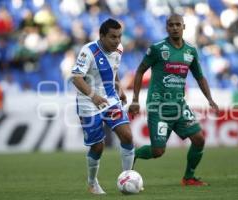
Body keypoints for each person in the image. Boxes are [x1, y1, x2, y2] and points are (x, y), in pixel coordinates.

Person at [129, 14, 219, 186]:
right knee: (158, 151)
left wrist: (210, 99)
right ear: (166, 28)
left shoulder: (190, 51)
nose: (175, 28)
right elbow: (140, 71)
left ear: (184, 27)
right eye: (171, 25)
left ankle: (188, 177)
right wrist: (135, 99)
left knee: (199, 139)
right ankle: (133, 154)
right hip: (158, 107)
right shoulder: (157, 49)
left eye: (178, 24)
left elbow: (200, 77)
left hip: (179, 105)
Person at [71, 18, 135, 195]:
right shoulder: (88, 51)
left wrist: (119, 88)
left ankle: (127, 178)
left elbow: (113, 71)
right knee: (98, 146)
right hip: (88, 101)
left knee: (127, 136)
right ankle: (92, 183)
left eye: (119, 36)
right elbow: (76, 78)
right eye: (113, 37)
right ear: (102, 36)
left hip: (110, 100)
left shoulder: (119, 50)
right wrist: (93, 96)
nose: (117, 41)